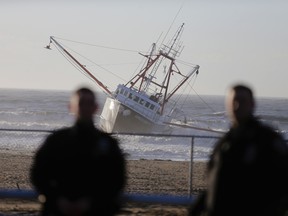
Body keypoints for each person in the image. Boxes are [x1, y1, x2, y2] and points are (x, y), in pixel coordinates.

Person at [189, 84, 288, 216]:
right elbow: (215, 186)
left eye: (242, 101)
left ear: (252, 104)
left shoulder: (267, 140)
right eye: (233, 101)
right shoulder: (224, 143)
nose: (237, 106)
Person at [30, 87, 126, 216]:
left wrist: (93, 201)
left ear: (95, 108)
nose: (85, 107)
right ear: (71, 107)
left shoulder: (108, 144)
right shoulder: (56, 141)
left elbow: (117, 180)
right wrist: (57, 199)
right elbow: (38, 174)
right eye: (81, 103)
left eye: (89, 103)